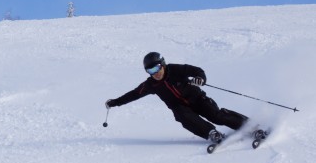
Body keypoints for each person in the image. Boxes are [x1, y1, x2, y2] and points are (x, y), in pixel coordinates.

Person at [105, 52, 248, 142]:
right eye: (150, 70)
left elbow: (197, 71)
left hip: (198, 100)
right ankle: (211, 133)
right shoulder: (151, 84)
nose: (155, 73)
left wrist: (200, 78)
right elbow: (134, 94)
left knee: (216, 116)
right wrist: (115, 102)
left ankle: (249, 126)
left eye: (156, 68)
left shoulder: (175, 69)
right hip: (181, 108)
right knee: (182, 115)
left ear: (163, 65)